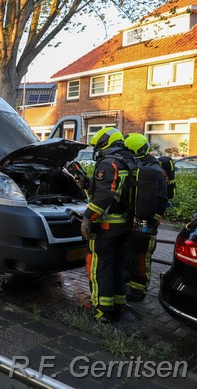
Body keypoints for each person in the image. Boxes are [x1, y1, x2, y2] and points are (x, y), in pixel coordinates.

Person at [81, 127, 137, 322]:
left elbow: (105, 196)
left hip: (106, 227)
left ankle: (101, 310)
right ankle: (118, 304)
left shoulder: (108, 162)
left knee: (100, 267)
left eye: (97, 145)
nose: (96, 150)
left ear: (105, 143)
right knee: (118, 266)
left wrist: (88, 218)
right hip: (125, 225)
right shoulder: (131, 162)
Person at [124, 133, 168, 302]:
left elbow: (162, 200)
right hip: (135, 219)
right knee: (132, 253)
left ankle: (138, 289)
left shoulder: (155, 172)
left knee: (141, 256)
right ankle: (130, 281)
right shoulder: (141, 167)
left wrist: (151, 222)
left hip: (146, 223)